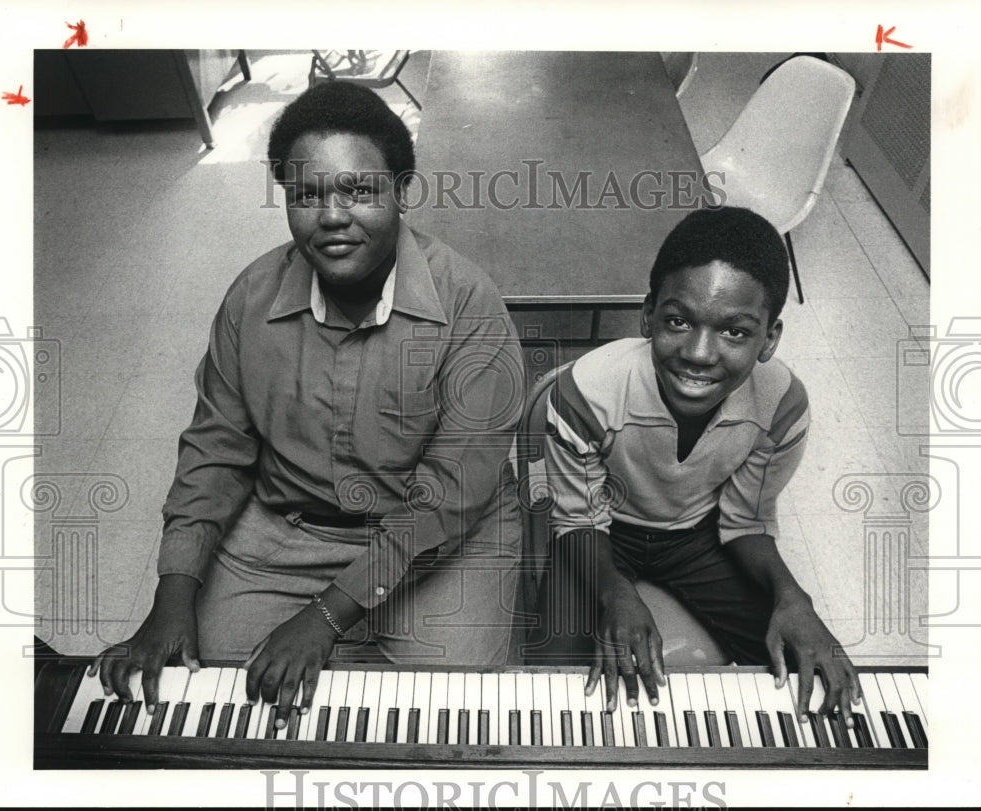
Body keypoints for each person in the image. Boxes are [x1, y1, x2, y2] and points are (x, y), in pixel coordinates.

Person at [91, 82, 524, 731]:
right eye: (307, 194)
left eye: (359, 190)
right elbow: (215, 451)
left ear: (402, 190)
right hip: (291, 526)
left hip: (444, 540)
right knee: (213, 687)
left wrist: (324, 616)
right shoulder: (250, 298)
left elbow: (447, 498)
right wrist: (173, 591)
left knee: (453, 709)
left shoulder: (470, 307)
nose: (332, 215)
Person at [538, 206, 861, 727]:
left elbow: (745, 520)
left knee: (798, 670)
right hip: (600, 534)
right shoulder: (587, 391)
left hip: (696, 538)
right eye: (678, 321)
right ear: (647, 315)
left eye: (735, 332)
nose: (699, 354)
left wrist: (793, 596)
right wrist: (615, 590)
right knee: (549, 687)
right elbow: (578, 518)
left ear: (769, 339)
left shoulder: (781, 405)